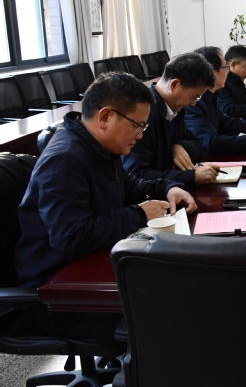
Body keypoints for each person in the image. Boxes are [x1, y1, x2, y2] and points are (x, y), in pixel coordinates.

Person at [11, 72, 196, 340]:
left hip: (87, 265)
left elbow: (130, 185)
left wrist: (167, 188)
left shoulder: (98, 146)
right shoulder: (65, 160)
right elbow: (70, 237)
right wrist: (139, 213)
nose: (140, 136)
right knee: (170, 312)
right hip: (57, 294)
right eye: (137, 126)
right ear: (105, 117)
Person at [122, 53, 220, 188]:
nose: (193, 104)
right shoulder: (143, 116)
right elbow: (137, 175)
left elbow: (197, 143)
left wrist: (179, 146)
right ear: (174, 85)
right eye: (194, 97)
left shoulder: (174, 108)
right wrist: (191, 177)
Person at [185, 46, 246, 155]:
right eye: (226, 67)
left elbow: (225, 123)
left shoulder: (210, 95)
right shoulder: (193, 101)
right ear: (211, 71)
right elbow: (210, 143)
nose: (228, 71)